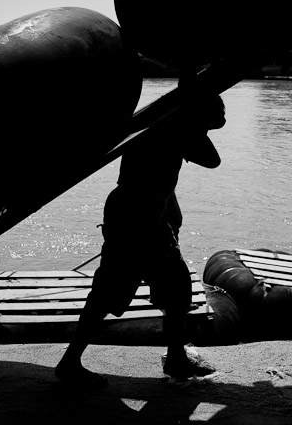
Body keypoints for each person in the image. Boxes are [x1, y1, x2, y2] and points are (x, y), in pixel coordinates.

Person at [55, 93, 226, 389]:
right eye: (208, 125)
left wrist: (169, 214)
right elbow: (212, 160)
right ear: (198, 117)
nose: (208, 131)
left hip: (136, 211)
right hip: (138, 217)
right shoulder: (175, 126)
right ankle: (72, 363)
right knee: (126, 290)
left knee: (165, 288)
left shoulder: (159, 122)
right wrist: (194, 118)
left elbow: (158, 176)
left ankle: (173, 357)